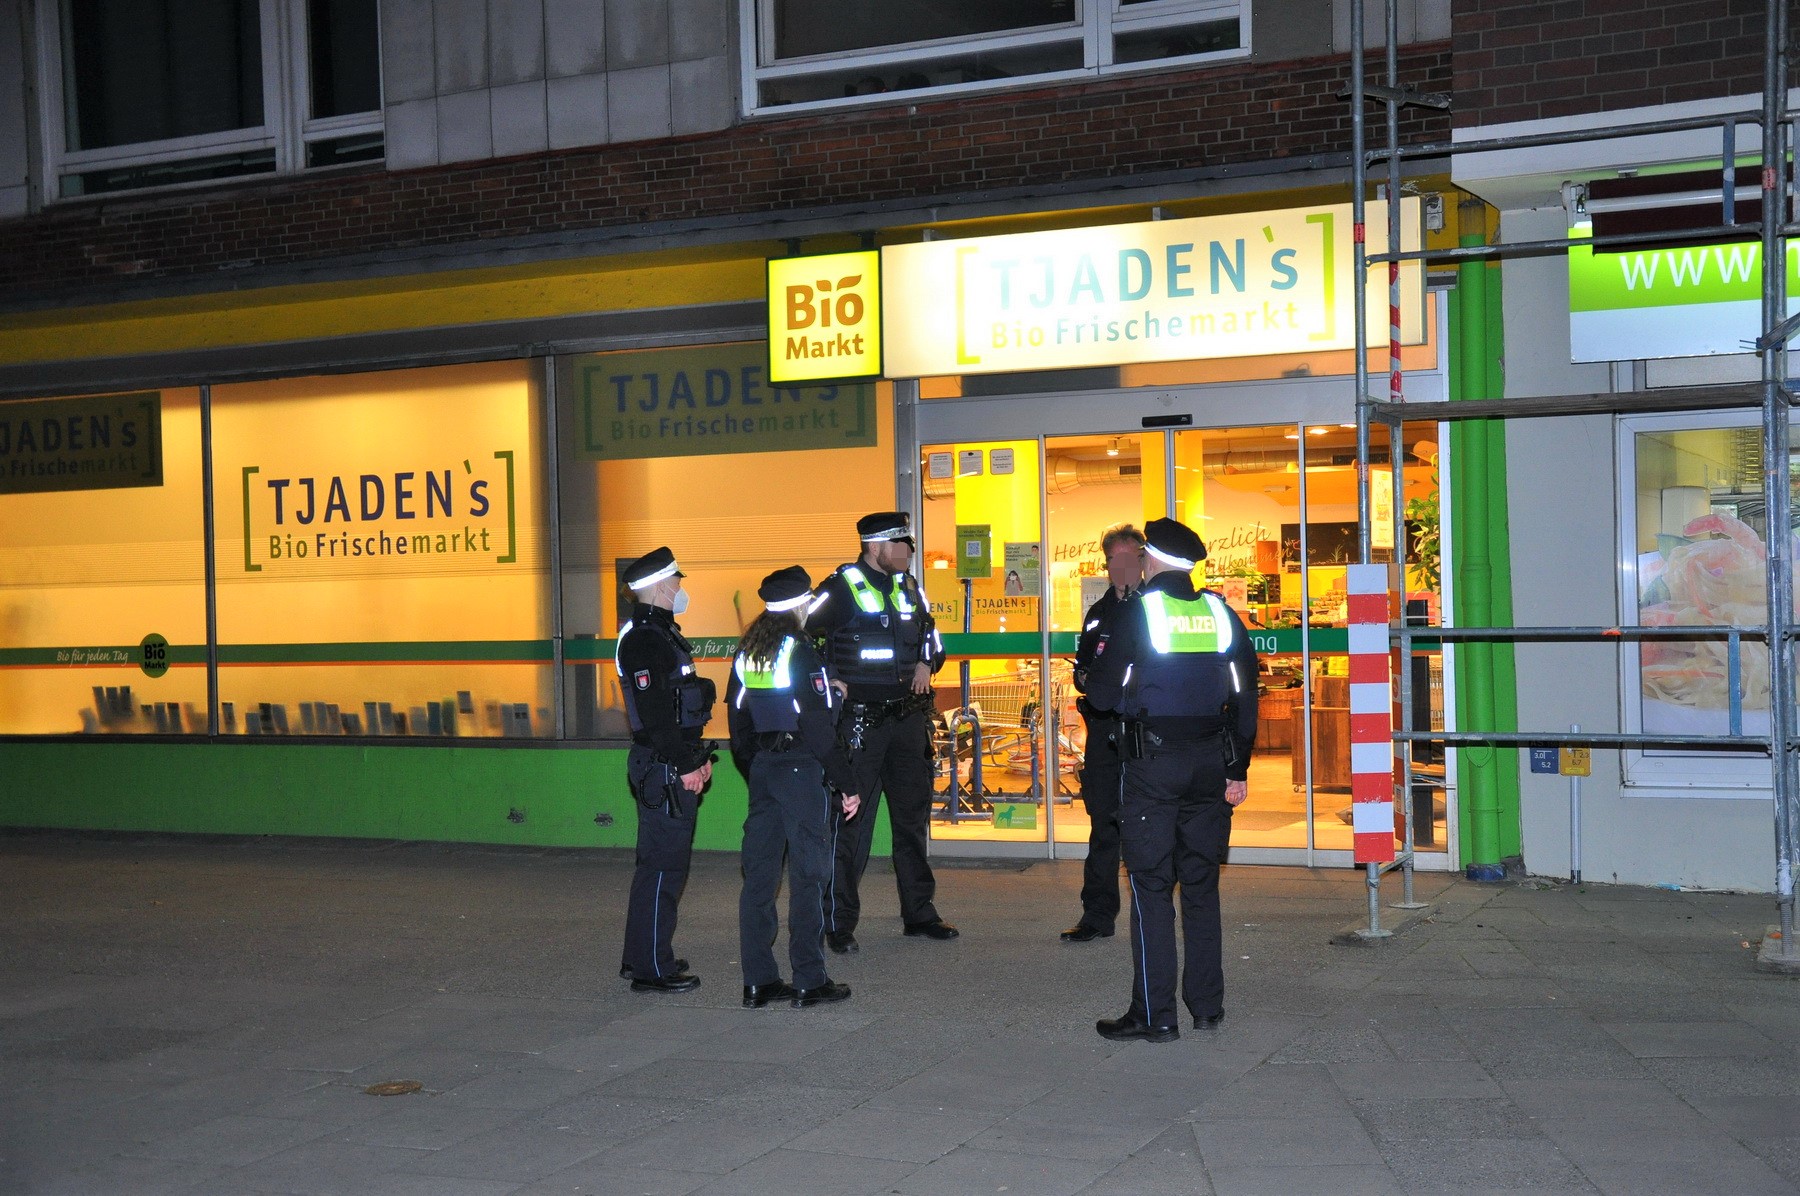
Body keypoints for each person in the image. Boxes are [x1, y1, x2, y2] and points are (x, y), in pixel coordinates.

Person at [1080, 517, 1258, 1042]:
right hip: (1210, 765)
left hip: (1154, 768)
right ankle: (1206, 1007)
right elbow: (1247, 698)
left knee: (1151, 888)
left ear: (1151, 557)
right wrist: (1237, 768)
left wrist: (1101, 680)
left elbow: (1104, 697)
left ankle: (1155, 1015)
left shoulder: (1138, 613)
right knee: (1201, 885)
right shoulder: (1222, 613)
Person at [809, 511, 957, 953]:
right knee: (852, 825)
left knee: (911, 822)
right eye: (901, 545)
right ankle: (838, 923)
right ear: (875, 547)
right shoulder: (839, 588)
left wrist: (928, 663)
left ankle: (919, 914)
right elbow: (804, 636)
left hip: (908, 722)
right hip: (861, 724)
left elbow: (932, 638)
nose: (908, 553)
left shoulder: (910, 587)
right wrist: (827, 681)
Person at [727, 566, 863, 1010]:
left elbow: (738, 721)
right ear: (802, 604)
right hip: (802, 770)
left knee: (760, 879)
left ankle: (759, 982)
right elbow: (819, 728)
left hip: (765, 768)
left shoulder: (748, 650)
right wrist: (847, 783)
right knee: (809, 875)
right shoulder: (801, 651)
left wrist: (758, 769)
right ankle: (809, 979)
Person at [614, 546, 715, 994]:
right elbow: (657, 716)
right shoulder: (644, 639)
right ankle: (652, 969)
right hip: (664, 765)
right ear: (657, 586)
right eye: (675, 581)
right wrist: (688, 764)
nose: (680, 588)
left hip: (666, 762)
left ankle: (644, 954)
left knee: (658, 864)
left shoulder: (660, 633)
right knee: (663, 868)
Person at [1060, 522, 1146, 943]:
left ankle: (1151, 915)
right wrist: (1086, 679)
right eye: (1115, 558)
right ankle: (1097, 915)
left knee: (1149, 825)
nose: (1123, 566)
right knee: (1103, 824)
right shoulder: (1099, 613)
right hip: (1105, 733)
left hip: (1146, 735)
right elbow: (1083, 662)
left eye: (1131, 557)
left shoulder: (1154, 607)